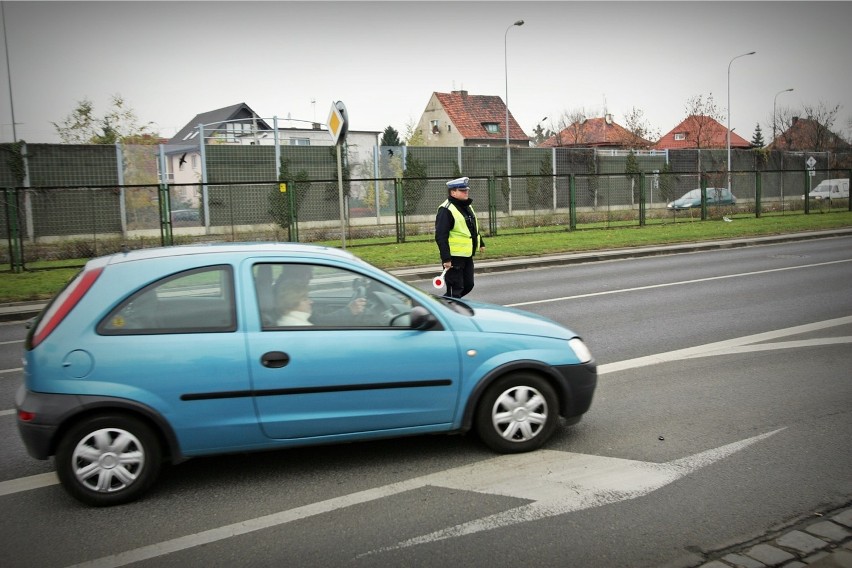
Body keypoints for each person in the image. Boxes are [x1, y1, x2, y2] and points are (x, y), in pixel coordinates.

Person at [434, 176, 485, 298]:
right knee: (455, 289)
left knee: (469, 284)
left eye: (466, 189)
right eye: (462, 190)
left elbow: (472, 228)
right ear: (453, 192)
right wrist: (446, 259)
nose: (466, 192)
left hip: (467, 255)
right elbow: (441, 236)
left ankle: (449, 303)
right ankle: (451, 308)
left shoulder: (467, 206)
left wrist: (481, 242)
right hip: (454, 258)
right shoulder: (446, 210)